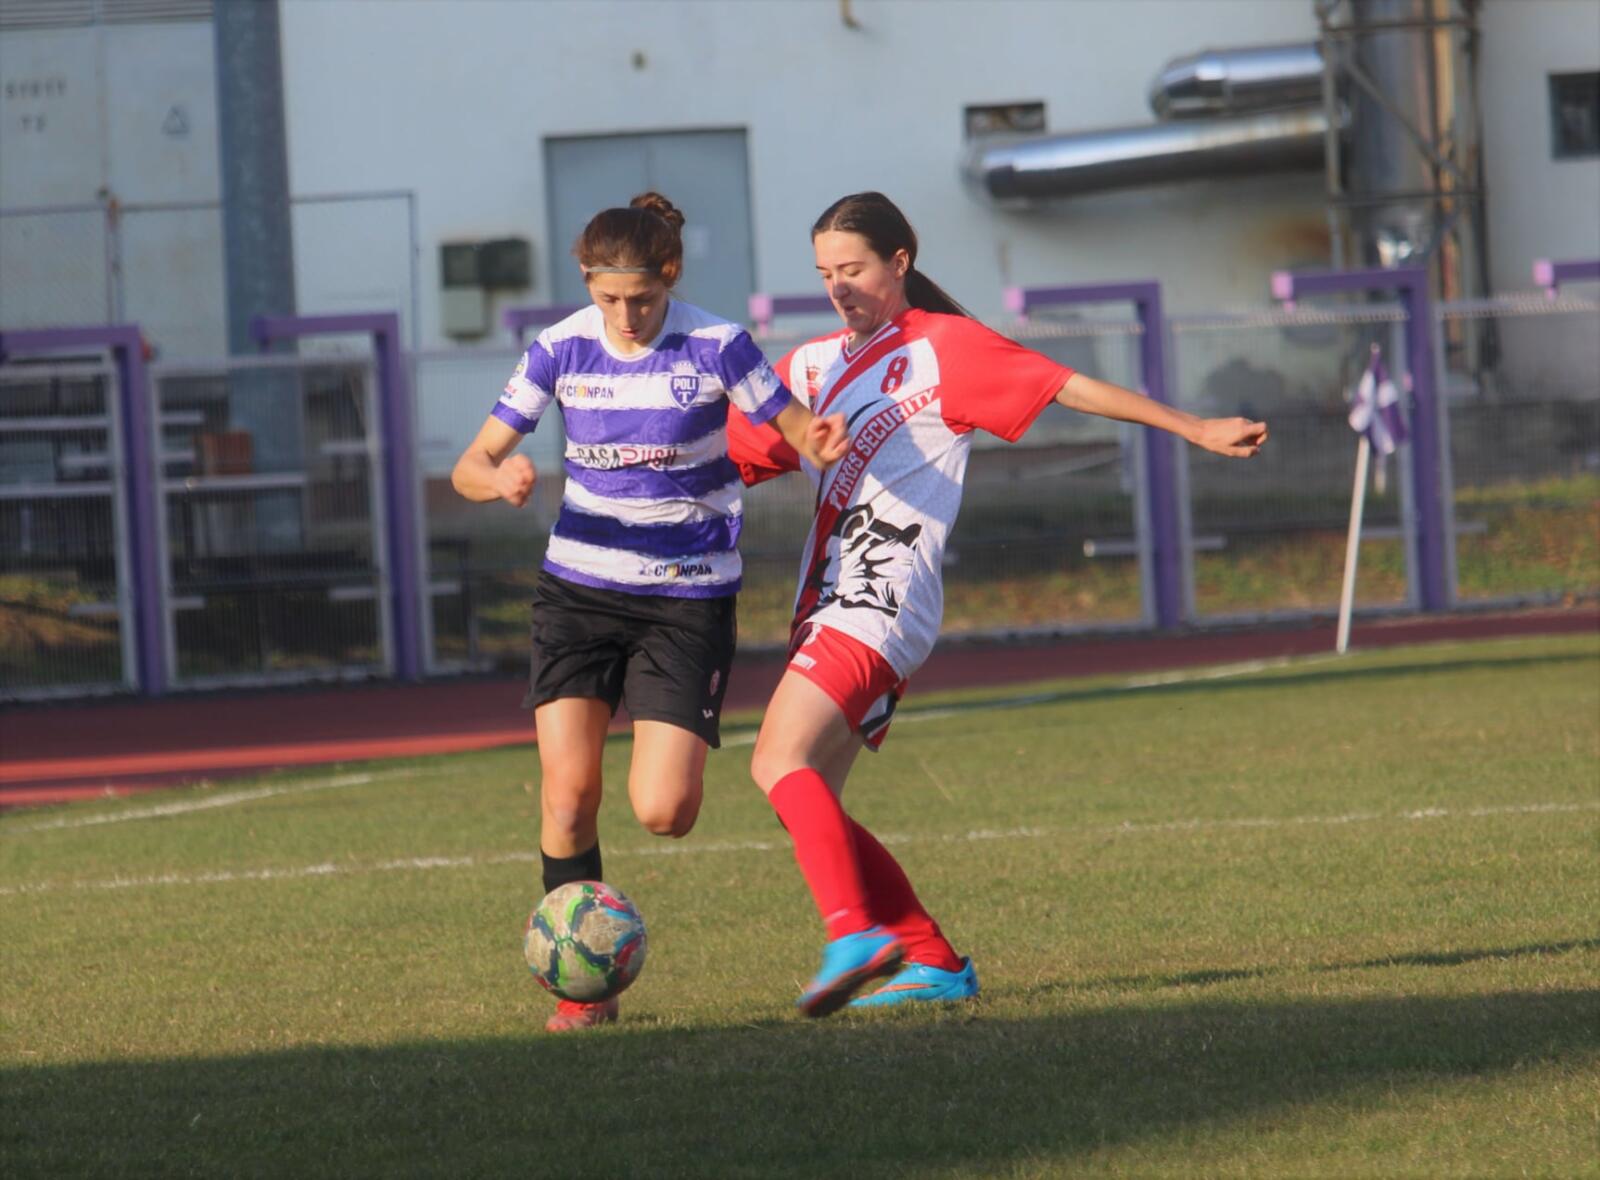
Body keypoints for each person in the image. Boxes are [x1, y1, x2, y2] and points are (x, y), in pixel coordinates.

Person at [728, 191, 1268, 1017]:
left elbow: (1065, 386)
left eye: (854, 268)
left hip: (881, 598)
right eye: (825, 272)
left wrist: (1192, 427)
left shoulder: (945, 347)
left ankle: (853, 935)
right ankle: (934, 962)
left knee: (775, 762)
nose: (838, 286)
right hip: (829, 603)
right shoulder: (809, 369)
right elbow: (728, 452)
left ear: (899, 263)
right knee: (808, 800)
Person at [452, 192, 848, 1032]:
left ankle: (597, 957)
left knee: (665, 812)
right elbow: (470, 464)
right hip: (578, 592)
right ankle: (583, 988)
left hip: (685, 598)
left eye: (642, 297)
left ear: (669, 275)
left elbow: (794, 425)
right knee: (568, 795)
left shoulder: (717, 344)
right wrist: (499, 478)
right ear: (585, 281)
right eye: (609, 298)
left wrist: (817, 439)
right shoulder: (559, 349)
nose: (626, 316)